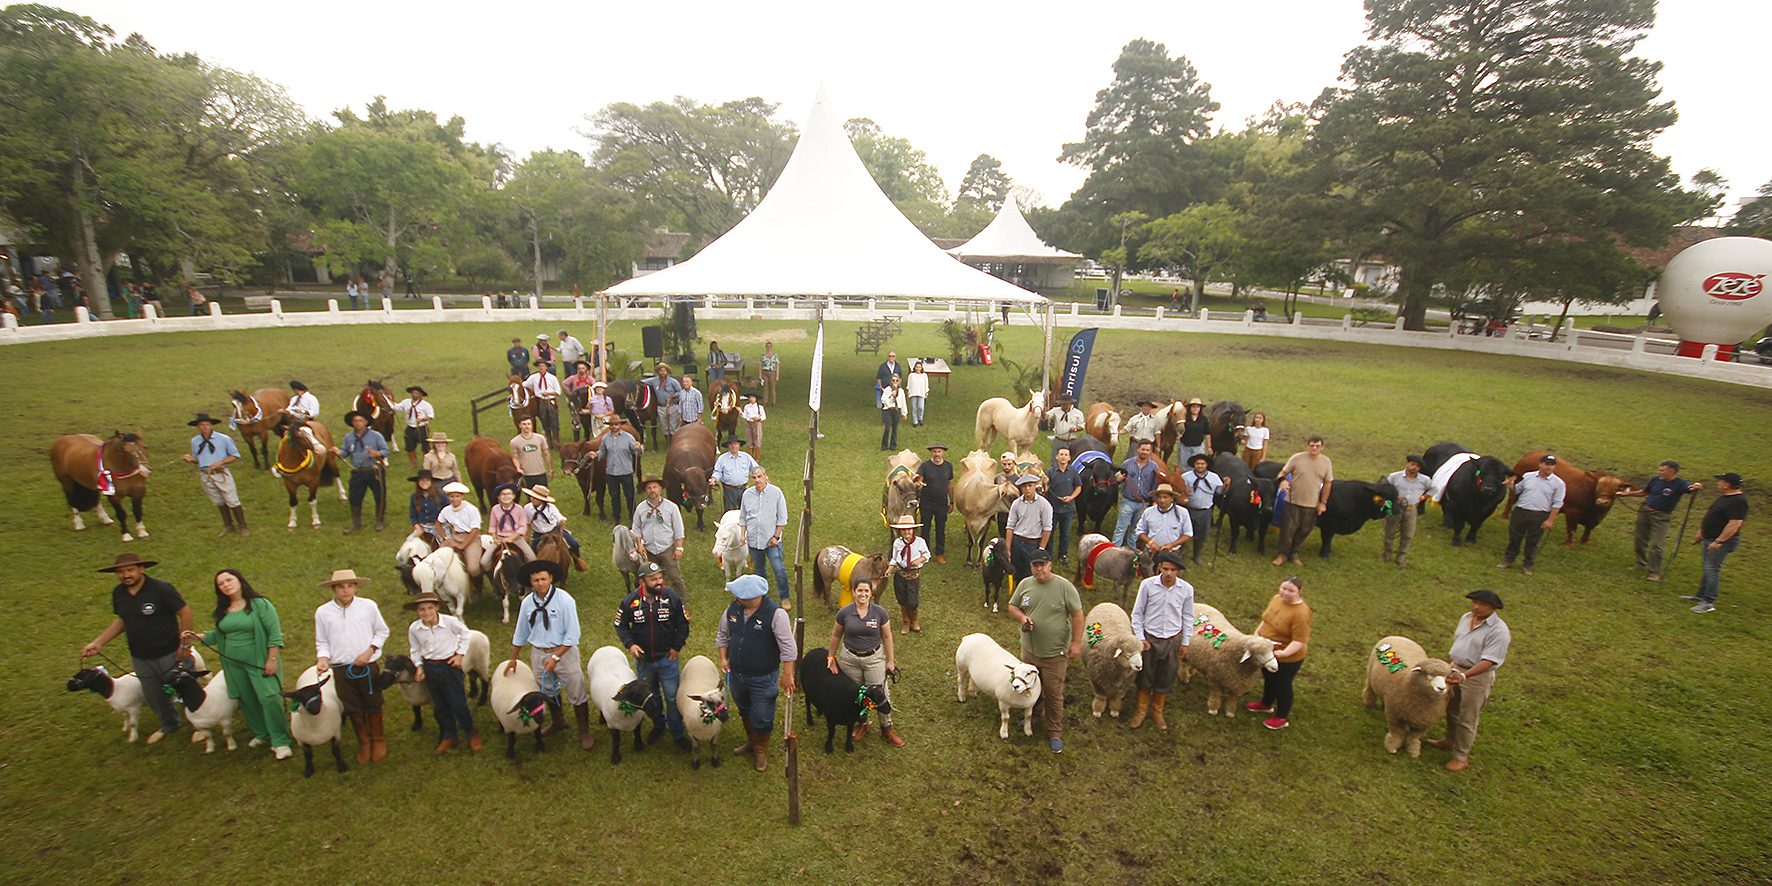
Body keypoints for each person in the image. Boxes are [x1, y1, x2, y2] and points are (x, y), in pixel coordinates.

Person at [82, 553, 194, 744]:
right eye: (121, 571)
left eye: (130, 570)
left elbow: (185, 612)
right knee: (153, 695)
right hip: (140, 656)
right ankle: (169, 724)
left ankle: (199, 725)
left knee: (185, 688)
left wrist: (184, 645)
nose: (126, 575)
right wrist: (98, 642)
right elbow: (122, 620)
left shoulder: (161, 589)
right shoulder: (119, 594)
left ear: (141, 569)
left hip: (170, 652)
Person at [183, 569, 292, 758]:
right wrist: (196, 637)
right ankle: (262, 733)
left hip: (259, 661)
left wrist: (272, 660)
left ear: (240, 581)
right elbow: (217, 635)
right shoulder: (222, 611)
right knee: (247, 699)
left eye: (229, 580)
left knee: (269, 698)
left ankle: (280, 740)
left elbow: (274, 635)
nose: (225, 584)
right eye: (220, 584)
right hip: (233, 664)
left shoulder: (260, 605)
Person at [505, 560, 598, 751]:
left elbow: (573, 635)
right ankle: (558, 721)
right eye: (536, 580)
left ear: (551, 579)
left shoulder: (565, 600)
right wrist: (514, 658)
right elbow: (521, 632)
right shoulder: (527, 603)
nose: (539, 583)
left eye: (543, 579)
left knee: (576, 688)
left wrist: (556, 657)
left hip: (564, 652)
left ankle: (584, 729)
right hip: (539, 652)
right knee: (547, 689)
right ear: (531, 583)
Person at [718, 574, 798, 771]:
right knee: (744, 709)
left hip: (763, 677)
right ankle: (752, 741)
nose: (737, 598)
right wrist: (723, 658)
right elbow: (723, 635)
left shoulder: (776, 615)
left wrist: (787, 675)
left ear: (754, 597)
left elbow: (789, 649)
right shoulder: (732, 610)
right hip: (737, 674)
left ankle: (761, 747)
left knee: (762, 716)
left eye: (740, 596)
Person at [1426, 590, 1512, 772]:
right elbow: (1459, 642)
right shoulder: (1466, 618)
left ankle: (1461, 756)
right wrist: (1451, 664)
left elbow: (1489, 660)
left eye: (1481, 604)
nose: (1475, 607)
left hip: (1477, 677)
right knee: (1451, 707)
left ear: (1494, 608)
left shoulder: (1499, 631)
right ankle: (1449, 740)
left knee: (1468, 716)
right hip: (1456, 668)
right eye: (1474, 602)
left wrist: (1465, 676)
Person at [1007, 552, 1084, 754]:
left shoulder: (1065, 587)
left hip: (1054, 654)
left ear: (1050, 565)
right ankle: (1031, 715)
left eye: (1042, 565)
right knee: (1030, 686)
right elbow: (1012, 607)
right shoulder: (1025, 584)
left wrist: (1076, 643)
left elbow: (1077, 615)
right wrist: (1022, 618)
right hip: (1029, 651)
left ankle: (1054, 731)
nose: (1038, 569)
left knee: (1053, 693)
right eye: (1035, 565)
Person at [313, 568, 391, 764]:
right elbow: (322, 641)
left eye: (349, 586)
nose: (345, 590)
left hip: (366, 664)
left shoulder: (368, 606)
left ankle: (378, 739)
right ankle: (364, 743)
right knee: (352, 707)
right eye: (340, 587)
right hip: (341, 667)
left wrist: (369, 652)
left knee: (373, 703)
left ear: (356, 587)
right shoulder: (323, 612)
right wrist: (323, 659)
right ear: (333, 589)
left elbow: (382, 632)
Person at [615, 561, 693, 752]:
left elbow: (683, 624)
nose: (659, 582)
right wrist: (630, 644)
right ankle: (658, 724)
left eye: (660, 578)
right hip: (644, 662)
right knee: (652, 696)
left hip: (668, 659)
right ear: (643, 581)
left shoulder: (672, 598)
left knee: (672, 697)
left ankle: (677, 732)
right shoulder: (630, 601)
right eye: (654, 579)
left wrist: (676, 647)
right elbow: (620, 624)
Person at [826, 578, 904, 747]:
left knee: (880, 694)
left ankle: (886, 729)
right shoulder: (844, 613)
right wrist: (831, 657)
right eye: (859, 590)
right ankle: (862, 723)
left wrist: (890, 661)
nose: (863, 594)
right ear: (853, 592)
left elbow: (887, 636)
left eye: (866, 591)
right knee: (857, 695)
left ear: (871, 592)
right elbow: (836, 635)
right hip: (849, 659)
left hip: (873, 659)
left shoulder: (880, 613)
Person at [402, 589, 480, 753]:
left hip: (449, 666)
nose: (426, 612)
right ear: (417, 611)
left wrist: (459, 655)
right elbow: (415, 649)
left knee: (458, 703)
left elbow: (465, 634)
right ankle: (449, 734)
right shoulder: (415, 629)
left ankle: (470, 732)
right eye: (422, 609)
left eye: (430, 608)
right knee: (439, 705)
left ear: (437, 608)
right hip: (430, 667)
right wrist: (420, 666)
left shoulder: (450, 622)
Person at [1128, 550, 1193, 731]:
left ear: (1178, 571)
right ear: (1159, 568)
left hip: (1172, 639)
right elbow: (1137, 613)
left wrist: (1185, 641)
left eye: (1173, 570)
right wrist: (1140, 637)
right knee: (1145, 676)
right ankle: (1140, 710)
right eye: (1165, 569)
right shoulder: (1147, 586)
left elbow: (1188, 617)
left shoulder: (1186, 590)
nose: (1169, 573)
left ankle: (1158, 710)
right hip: (1150, 638)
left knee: (1166, 675)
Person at [1248, 576, 1311, 730]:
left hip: (1287, 658)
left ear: (1299, 592)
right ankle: (1266, 703)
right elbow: (1267, 619)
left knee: (1282, 685)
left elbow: (1299, 641)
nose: (1285, 593)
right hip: (1267, 650)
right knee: (1269, 678)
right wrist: (1258, 633)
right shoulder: (1276, 599)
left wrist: (1283, 654)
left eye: (1291, 591)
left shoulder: (1301, 614)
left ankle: (1282, 717)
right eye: (1283, 588)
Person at [1618, 460, 1698, 581]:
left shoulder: (1680, 484)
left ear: (1672, 471)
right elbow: (1645, 492)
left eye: (1662, 470)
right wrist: (1627, 495)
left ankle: (1654, 572)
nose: (1659, 472)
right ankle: (1640, 563)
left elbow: (1690, 488)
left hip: (1661, 517)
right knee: (1640, 539)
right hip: (1645, 511)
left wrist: (1696, 486)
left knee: (1657, 544)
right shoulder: (1655, 480)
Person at [1684, 472, 1748, 614]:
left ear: (1727, 484)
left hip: (1720, 541)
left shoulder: (1738, 501)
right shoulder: (1725, 497)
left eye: (1720, 481)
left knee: (1712, 569)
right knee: (1707, 568)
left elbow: (1735, 524)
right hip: (1709, 537)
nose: (1717, 483)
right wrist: (1702, 532)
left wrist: (1719, 541)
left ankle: (1708, 602)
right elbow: (1712, 515)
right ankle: (1700, 595)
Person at [1498, 454, 1565, 576]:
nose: (1548, 467)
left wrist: (1550, 520)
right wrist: (1511, 485)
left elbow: (1557, 504)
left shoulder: (1558, 484)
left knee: (1532, 541)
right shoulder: (1528, 476)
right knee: (1514, 537)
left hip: (1540, 515)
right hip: (1521, 511)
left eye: (1552, 465)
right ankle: (1509, 559)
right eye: (1546, 464)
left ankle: (1527, 564)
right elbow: (1517, 490)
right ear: (1540, 464)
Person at [183, 412, 246, 537]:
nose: (204, 427)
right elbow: (199, 459)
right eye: (201, 425)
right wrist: (191, 459)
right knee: (218, 501)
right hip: (206, 474)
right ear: (198, 427)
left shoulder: (224, 439)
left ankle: (242, 525)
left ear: (211, 426)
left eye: (207, 424)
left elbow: (235, 455)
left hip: (221, 473)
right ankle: (228, 525)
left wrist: (221, 462)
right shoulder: (195, 441)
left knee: (232, 500)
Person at [1274, 435, 1333, 567]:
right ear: (1308, 446)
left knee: (1304, 530)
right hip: (1292, 500)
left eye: (1317, 446)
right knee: (1287, 529)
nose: (1314, 448)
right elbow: (1282, 473)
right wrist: (1282, 481)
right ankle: (1282, 554)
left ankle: (1294, 554)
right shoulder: (1297, 458)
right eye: (1312, 445)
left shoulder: (1326, 462)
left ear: (1322, 448)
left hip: (1312, 503)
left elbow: (1328, 483)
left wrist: (1323, 503)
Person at [740, 466, 791, 609]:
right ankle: (762, 597)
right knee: (759, 570)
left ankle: (785, 597)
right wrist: (742, 535)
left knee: (778, 569)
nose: (757, 480)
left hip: (771, 542)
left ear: (765, 476)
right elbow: (743, 517)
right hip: (753, 541)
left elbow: (782, 518)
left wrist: (776, 536)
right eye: (754, 478)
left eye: (759, 477)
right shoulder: (747, 494)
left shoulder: (776, 493)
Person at [333, 410, 389, 533]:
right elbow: (345, 452)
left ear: (366, 422)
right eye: (355, 421)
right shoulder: (349, 437)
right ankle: (356, 523)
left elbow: (385, 450)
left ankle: (380, 520)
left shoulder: (376, 436)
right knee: (354, 497)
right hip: (357, 471)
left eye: (360, 421)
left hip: (374, 470)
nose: (357, 423)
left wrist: (377, 453)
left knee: (379, 495)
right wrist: (339, 453)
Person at [632, 475, 689, 594]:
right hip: (649, 549)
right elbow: (636, 528)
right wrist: (639, 544)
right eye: (649, 488)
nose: (652, 490)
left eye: (654, 487)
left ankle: (680, 603)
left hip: (667, 548)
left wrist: (679, 548)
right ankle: (654, 599)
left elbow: (678, 529)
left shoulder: (671, 507)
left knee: (675, 578)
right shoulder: (640, 508)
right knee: (650, 577)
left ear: (660, 489)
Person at [1383, 455, 1433, 566]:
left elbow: (1434, 488)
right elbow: (1385, 489)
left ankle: (1401, 556)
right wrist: (1394, 498)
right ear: (1408, 464)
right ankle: (1387, 554)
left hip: (1411, 510)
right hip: (1396, 508)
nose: (1414, 467)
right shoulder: (1394, 477)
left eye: (1417, 466)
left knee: (1408, 534)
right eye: (1412, 464)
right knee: (1389, 532)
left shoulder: (1425, 480)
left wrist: (1424, 497)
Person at [1003, 474, 1054, 584]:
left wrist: (1041, 549)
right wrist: (1008, 549)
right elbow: (1010, 526)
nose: (1027, 489)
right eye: (1024, 486)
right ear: (1021, 488)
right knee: (1017, 570)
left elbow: (1047, 529)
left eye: (1030, 485)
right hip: (1017, 542)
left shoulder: (1044, 505)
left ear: (1035, 486)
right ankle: (1019, 591)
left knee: (1032, 572)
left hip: (1032, 543)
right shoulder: (1016, 504)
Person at [525, 485, 588, 572]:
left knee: (574, 544)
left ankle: (576, 559)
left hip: (554, 530)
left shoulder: (551, 508)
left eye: (535, 498)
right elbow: (527, 521)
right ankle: (536, 569)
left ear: (542, 500)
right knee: (533, 550)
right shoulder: (527, 508)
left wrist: (562, 520)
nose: (532, 499)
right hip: (538, 533)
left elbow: (559, 516)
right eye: (531, 497)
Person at [1136, 483, 1193, 574]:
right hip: (1151, 552)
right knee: (1149, 578)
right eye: (1159, 497)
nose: (1162, 500)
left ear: (1172, 498)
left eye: (1165, 497)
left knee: (1169, 578)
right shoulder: (1148, 512)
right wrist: (1150, 543)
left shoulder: (1182, 513)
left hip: (1172, 552)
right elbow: (1140, 531)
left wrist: (1171, 545)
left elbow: (1188, 534)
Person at [1113, 441, 1161, 548]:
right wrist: (1118, 479)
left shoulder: (1154, 467)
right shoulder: (1127, 464)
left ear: (1151, 452)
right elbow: (1117, 479)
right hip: (1128, 501)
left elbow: (1155, 485)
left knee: (1136, 529)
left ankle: (1132, 550)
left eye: (1147, 450)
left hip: (1144, 503)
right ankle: (1114, 549)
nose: (1144, 452)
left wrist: (1153, 501)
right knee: (1121, 528)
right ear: (1138, 450)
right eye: (1143, 449)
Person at [887, 516, 930, 633]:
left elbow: (927, 555)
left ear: (913, 530)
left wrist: (918, 560)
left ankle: (914, 620)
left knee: (912, 600)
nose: (906, 532)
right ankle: (906, 621)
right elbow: (895, 558)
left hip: (913, 576)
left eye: (909, 529)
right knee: (902, 598)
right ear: (900, 531)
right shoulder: (897, 543)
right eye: (903, 530)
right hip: (900, 574)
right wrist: (890, 568)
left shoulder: (920, 542)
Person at [482, 483, 538, 573]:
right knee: (484, 561)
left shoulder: (519, 509)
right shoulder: (495, 509)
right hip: (500, 538)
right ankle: (492, 576)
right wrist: (494, 536)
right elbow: (492, 526)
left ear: (513, 496)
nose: (506, 496)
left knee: (532, 558)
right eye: (503, 494)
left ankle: (529, 578)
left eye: (509, 494)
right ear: (498, 497)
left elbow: (522, 527)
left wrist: (511, 538)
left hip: (516, 538)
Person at [436, 482, 484, 582]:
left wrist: (463, 546)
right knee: (440, 560)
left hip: (471, 538)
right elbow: (438, 524)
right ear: (448, 497)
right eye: (451, 496)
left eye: (457, 496)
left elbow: (475, 529)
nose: (454, 499)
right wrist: (445, 538)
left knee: (472, 568)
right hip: (455, 537)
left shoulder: (471, 509)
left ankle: (477, 584)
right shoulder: (446, 510)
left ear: (462, 496)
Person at [915, 443, 954, 564]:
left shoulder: (948, 466)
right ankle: (924, 553)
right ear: (931, 453)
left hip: (942, 503)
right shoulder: (925, 466)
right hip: (926, 503)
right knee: (925, 528)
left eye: (939, 452)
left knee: (940, 528)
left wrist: (951, 501)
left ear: (943, 452)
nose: (937, 454)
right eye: (934, 452)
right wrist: (918, 484)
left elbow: (950, 484)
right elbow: (918, 480)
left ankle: (940, 553)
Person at [1181, 454, 1224, 564]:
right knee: (1184, 531)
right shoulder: (1186, 477)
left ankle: (1196, 555)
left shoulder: (1214, 478)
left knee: (1201, 534)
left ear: (1206, 465)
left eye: (1202, 464)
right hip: (1189, 509)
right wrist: (1185, 492)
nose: (1200, 466)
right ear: (1194, 465)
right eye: (1198, 464)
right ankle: (1181, 551)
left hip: (1205, 510)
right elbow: (1180, 491)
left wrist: (1226, 486)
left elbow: (1220, 492)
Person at [597, 418, 641, 520]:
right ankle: (616, 517)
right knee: (614, 497)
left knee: (630, 496)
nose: (614, 427)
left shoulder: (628, 437)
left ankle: (633, 517)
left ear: (620, 425)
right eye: (612, 425)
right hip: (611, 473)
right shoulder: (605, 438)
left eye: (616, 425)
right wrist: (595, 454)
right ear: (609, 426)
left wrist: (639, 448)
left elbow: (636, 451)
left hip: (625, 471)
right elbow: (602, 452)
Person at [1046, 448, 1081, 564]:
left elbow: (1078, 487)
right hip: (1053, 509)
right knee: (1050, 533)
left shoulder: (1073, 471)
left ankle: (1063, 555)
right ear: (1057, 457)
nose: (1063, 457)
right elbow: (1045, 487)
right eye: (1061, 454)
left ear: (1069, 458)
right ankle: (1048, 555)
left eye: (1066, 455)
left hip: (1068, 509)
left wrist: (1071, 497)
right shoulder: (1050, 472)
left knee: (1065, 534)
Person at [391, 386, 434, 470]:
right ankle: (413, 464)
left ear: (421, 395)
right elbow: (396, 407)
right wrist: (390, 401)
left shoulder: (426, 405)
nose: (414, 395)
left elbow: (430, 416)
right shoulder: (406, 402)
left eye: (417, 393)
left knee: (425, 447)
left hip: (421, 428)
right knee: (409, 447)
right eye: (413, 393)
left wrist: (422, 419)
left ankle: (427, 464)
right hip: (410, 427)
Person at [713, 437, 759, 515]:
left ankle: (745, 527)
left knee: (746, 511)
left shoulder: (746, 457)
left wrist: (763, 477)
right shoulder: (722, 459)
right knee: (730, 513)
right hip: (729, 491)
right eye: (731, 444)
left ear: (739, 445)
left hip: (743, 489)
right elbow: (717, 472)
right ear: (728, 446)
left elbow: (756, 468)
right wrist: (714, 479)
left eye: (735, 444)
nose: (733, 446)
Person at [508, 416, 551, 490]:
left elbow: (546, 454)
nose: (526, 426)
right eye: (524, 424)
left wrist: (550, 469)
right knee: (530, 497)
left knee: (543, 496)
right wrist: (518, 468)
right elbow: (514, 458)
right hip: (526, 475)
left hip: (541, 473)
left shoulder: (540, 438)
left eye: (529, 424)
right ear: (520, 425)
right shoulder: (514, 442)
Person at [524, 360, 562, 443]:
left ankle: (556, 441)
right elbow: (524, 384)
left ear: (546, 367)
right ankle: (549, 441)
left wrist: (548, 393)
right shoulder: (533, 377)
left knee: (554, 421)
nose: (541, 368)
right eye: (540, 366)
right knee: (544, 421)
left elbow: (558, 392)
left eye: (543, 366)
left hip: (551, 401)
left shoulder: (552, 378)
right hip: (541, 401)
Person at [646, 363, 684, 437]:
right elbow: (642, 382)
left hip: (672, 406)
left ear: (667, 372)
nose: (662, 372)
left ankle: (674, 441)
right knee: (664, 427)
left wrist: (673, 396)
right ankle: (667, 442)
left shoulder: (673, 382)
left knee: (673, 426)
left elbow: (680, 392)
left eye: (664, 371)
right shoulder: (653, 381)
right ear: (658, 372)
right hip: (661, 407)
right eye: (661, 370)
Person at [408, 470, 445, 538]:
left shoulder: (441, 496)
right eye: (422, 480)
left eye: (427, 480)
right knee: (408, 544)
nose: (424, 482)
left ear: (431, 482)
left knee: (446, 545)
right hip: (422, 527)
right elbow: (413, 516)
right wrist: (418, 527)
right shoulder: (414, 497)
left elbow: (448, 511)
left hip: (439, 527)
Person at [1175, 398, 1212, 465]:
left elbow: (1207, 433)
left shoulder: (1204, 419)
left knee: (1197, 464)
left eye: (1197, 407)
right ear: (1190, 408)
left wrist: (1209, 447)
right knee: (1184, 465)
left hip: (1198, 447)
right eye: (1193, 407)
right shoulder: (1185, 417)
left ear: (1200, 408)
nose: (1195, 409)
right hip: (1185, 446)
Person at [1047, 395, 1084, 460]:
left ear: (1070, 404)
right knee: (1055, 459)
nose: (1062, 405)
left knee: (1070, 459)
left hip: (1071, 441)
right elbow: (1046, 417)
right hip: (1058, 440)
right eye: (1061, 404)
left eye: (1064, 404)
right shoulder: (1055, 411)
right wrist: (1043, 413)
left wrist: (1075, 429)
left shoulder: (1078, 413)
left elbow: (1082, 426)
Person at [880, 375, 907, 450]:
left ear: (899, 381)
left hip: (896, 410)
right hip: (888, 410)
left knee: (895, 429)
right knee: (887, 428)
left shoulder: (901, 391)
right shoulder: (887, 389)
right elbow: (883, 399)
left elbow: (903, 402)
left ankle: (893, 445)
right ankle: (884, 445)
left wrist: (904, 413)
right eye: (893, 380)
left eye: (896, 380)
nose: (895, 382)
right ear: (891, 381)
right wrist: (892, 394)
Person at [906, 360, 930, 426]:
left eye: (919, 367)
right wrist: (908, 392)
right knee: (914, 408)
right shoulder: (911, 375)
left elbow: (926, 385)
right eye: (917, 367)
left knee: (921, 407)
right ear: (914, 367)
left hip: (921, 393)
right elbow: (909, 384)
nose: (918, 368)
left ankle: (920, 418)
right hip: (913, 393)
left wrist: (926, 392)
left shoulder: (924, 375)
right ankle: (915, 421)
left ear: (921, 368)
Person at [759, 341, 781, 406]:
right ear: (766, 347)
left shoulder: (775, 355)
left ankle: (773, 401)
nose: (768, 348)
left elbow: (777, 365)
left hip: (772, 372)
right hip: (765, 372)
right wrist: (760, 375)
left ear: (771, 347)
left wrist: (777, 375)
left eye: (770, 347)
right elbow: (760, 365)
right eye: (767, 347)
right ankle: (765, 402)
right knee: (765, 388)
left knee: (772, 387)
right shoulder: (762, 355)